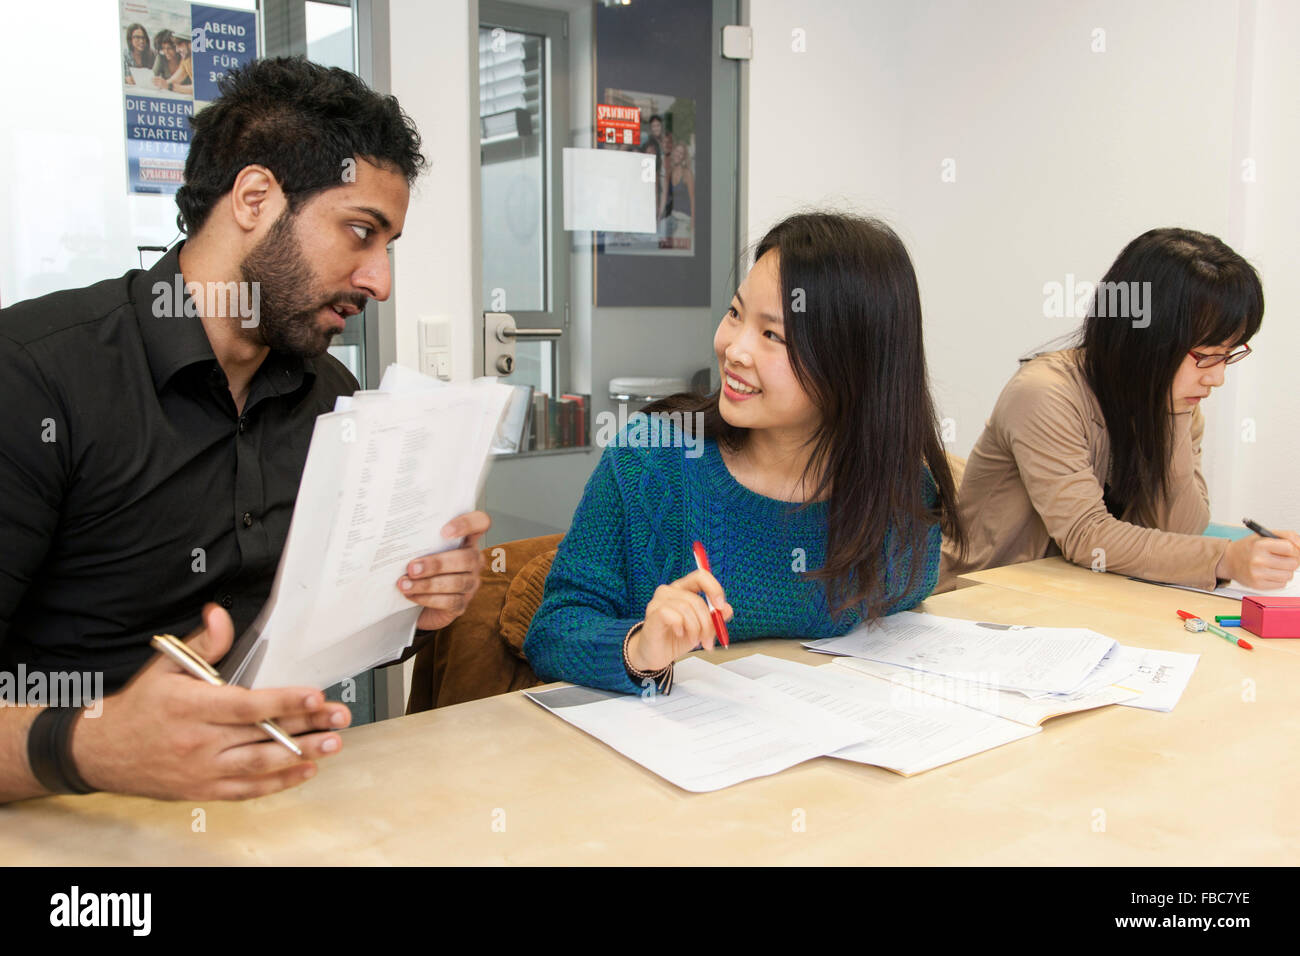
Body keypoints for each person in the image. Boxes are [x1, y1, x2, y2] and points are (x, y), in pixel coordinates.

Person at [0, 57, 489, 803]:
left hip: (284, 807)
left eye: (388, 246)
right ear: (255, 198)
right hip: (72, 824)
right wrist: (93, 744)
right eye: (360, 232)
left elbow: (324, 635)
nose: (380, 281)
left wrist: (411, 605)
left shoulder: (333, 397)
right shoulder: (34, 378)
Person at [524, 212, 962, 693]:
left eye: (772, 335)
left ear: (853, 368)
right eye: (736, 314)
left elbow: (907, 609)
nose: (734, 349)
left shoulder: (901, 495)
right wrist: (640, 648)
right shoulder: (651, 461)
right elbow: (553, 632)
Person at [942, 227, 1300, 590]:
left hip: (1077, 603)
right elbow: (1085, 534)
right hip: (976, 603)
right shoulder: (1044, 394)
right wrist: (1224, 558)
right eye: (1205, 356)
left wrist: (1173, 419)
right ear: (1145, 338)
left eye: (1227, 356)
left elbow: (1178, 530)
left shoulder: (1174, 403)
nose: (1217, 378)